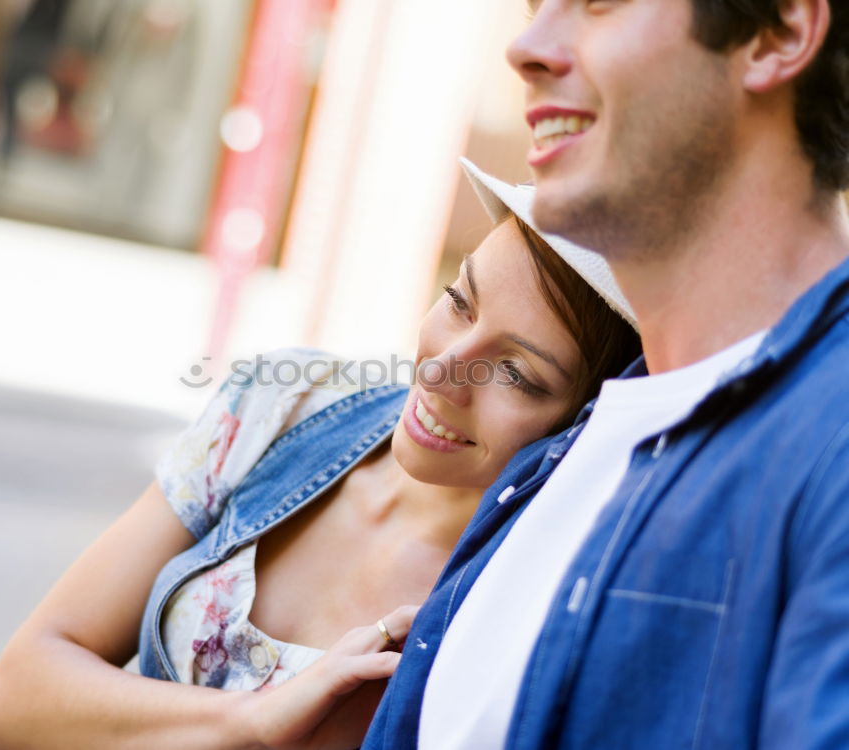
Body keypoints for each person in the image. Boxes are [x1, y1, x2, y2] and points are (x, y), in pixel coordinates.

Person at [0, 159, 640, 750]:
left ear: (584, 420)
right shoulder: (282, 400)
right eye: (460, 302)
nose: (443, 371)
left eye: (517, 374)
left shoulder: (525, 603)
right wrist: (253, 726)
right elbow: (14, 700)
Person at [363, 0, 849, 748]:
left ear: (778, 32)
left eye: (595, 4)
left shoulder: (826, 449)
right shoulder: (583, 439)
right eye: (535, 5)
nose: (526, 47)